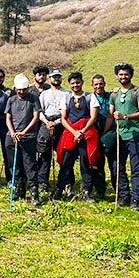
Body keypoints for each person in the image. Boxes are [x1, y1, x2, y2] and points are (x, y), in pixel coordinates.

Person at [104, 63, 139, 210]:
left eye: (126, 74)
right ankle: (123, 195)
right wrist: (105, 133)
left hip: (135, 134)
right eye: (121, 74)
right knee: (117, 166)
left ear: (131, 75)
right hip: (119, 135)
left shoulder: (138, 92)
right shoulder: (114, 94)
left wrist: (126, 116)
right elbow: (111, 115)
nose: (123, 77)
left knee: (136, 168)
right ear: (117, 76)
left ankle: (136, 198)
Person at [51, 72, 100, 202]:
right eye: (72, 83)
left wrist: (82, 131)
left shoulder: (90, 97)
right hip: (70, 133)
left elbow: (94, 116)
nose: (75, 85)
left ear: (82, 82)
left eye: (77, 82)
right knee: (66, 163)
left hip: (86, 133)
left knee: (86, 163)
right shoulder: (66, 98)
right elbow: (63, 118)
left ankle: (87, 191)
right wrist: (74, 132)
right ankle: (59, 190)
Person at [5, 74, 41, 205]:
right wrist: (13, 132)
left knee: (29, 165)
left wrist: (24, 132)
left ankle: (34, 193)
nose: (21, 92)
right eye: (19, 89)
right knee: (15, 164)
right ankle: (19, 189)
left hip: (29, 136)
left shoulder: (34, 99)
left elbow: (36, 117)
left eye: (24, 89)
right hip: (12, 137)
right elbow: (8, 118)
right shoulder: (11, 100)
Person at [37, 69, 70, 192]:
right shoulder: (44, 94)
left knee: (64, 154)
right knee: (44, 154)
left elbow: (67, 113)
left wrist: (55, 123)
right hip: (46, 123)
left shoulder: (67, 93)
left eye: (58, 77)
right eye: (53, 77)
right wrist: (47, 122)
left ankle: (66, 182)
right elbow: (39, 111)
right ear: (49, 78)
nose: (56, 79)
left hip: (62, 123)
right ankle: (42, 182)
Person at [91, 74, 116, 200]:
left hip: (109, 132)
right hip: (95, 131)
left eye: (101, 84)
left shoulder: (111, 96)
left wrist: (105, 133)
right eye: (96, 84)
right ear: (92, 86)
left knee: (114, 163)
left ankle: (119, 191)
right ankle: (100, 190)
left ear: (104, 84)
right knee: (97, 163)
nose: (98, 86)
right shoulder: (89, 98)